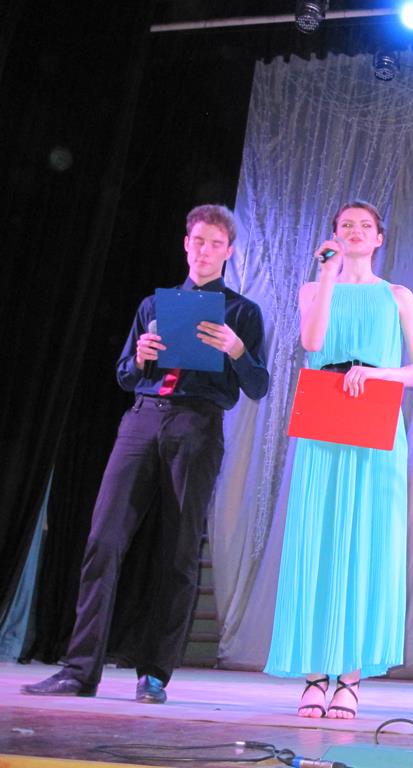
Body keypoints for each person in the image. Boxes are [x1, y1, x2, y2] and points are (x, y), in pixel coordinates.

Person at [22, 204, 269, 703]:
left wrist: (237, 350)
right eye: (197, 241)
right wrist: (139, 358)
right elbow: (124, 375)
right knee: (103, 540)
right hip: (142, 418)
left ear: (229, 251)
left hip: (198, 424)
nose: (204, 251)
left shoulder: (242, 312)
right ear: (185, 244)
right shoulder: (154, 304)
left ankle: (154, 674)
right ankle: (79, 670)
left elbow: (258, 386)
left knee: (178, 551)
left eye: (215, 244)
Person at [264, 200, 413, 719]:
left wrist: (376, 373)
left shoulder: (398, 295)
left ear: (380, 237)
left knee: (366, 541)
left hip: (375, 413)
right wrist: (328, 274)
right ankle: (315, 676)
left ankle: (351, 679)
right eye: (345, 226)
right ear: (334, 236)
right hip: (323, 410)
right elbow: (312, 341)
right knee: (317, 537)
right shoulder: (313, 289)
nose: (355, 232)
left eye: (365, 226)